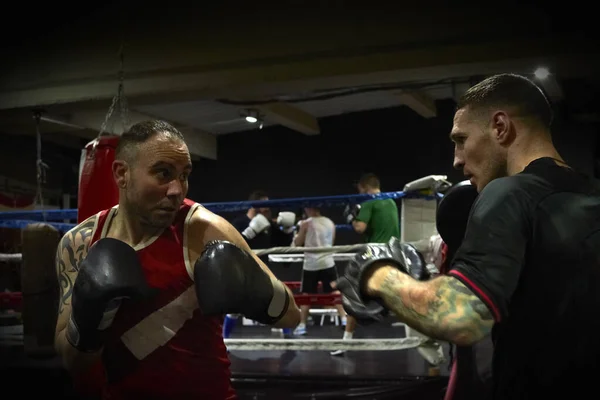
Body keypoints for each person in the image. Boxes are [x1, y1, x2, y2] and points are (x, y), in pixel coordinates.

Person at [334, 73, 600, 399]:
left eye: (461, 140)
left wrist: (377, 273)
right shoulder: (589, 192)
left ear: (500, 127)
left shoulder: (510, 193)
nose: (457, 160)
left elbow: (461, 316)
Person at [53, 120, 301, 400]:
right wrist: (89, 319)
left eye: (184, 175)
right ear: (122, 174)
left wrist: (256, 289)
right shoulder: (79, 243)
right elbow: (71, 360)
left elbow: (291, 315)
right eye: (163, 173)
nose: (177, 189)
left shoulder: (205, 231)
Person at [334, 173, 401, 355]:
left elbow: (359, 227)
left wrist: (351, 218)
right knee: (402, 295)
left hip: (374, 253)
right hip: (394, 252)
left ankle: (346, 342)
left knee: (351, 295)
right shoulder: (391, 201)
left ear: (364, 187)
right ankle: (420, 339)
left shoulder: (369, 201)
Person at [224, 191, 296, 338]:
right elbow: (231, 246)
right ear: (255, 205)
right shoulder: (239, 223)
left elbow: (283, 243)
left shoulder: (267, 223)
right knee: (234, 309)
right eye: (264, 204)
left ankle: (289, 338)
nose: (267, 208)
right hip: (243, 270)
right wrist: (250, 232)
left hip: (263, 270)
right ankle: (225, 340)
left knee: (279, 300)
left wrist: (288, 230)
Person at [290, 207, 346, 336]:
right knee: (334, 290)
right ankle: (344, 318)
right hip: (328, 261)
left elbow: (298, 243)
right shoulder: (330, 222)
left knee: (306, 294)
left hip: (312, 264)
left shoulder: (306, 223)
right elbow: (331, 242)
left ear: (308, 209)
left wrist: (296, 235)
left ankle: (302, 325)